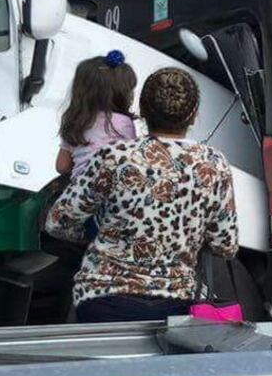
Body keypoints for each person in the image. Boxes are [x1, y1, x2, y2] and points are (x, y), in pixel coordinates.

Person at [43, 67, 239, 323]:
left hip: (103, 299)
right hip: (176, 305)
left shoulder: (114, 157)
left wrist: (98, 234)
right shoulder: (213, 164)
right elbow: (226, 245)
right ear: (194, 115)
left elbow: (58, 223)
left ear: (143, 113)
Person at [56, 50, 138, 178]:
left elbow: (62, 166)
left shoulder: (76, 121)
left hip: (79, 193)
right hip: (114, 193)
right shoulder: (124, 123)